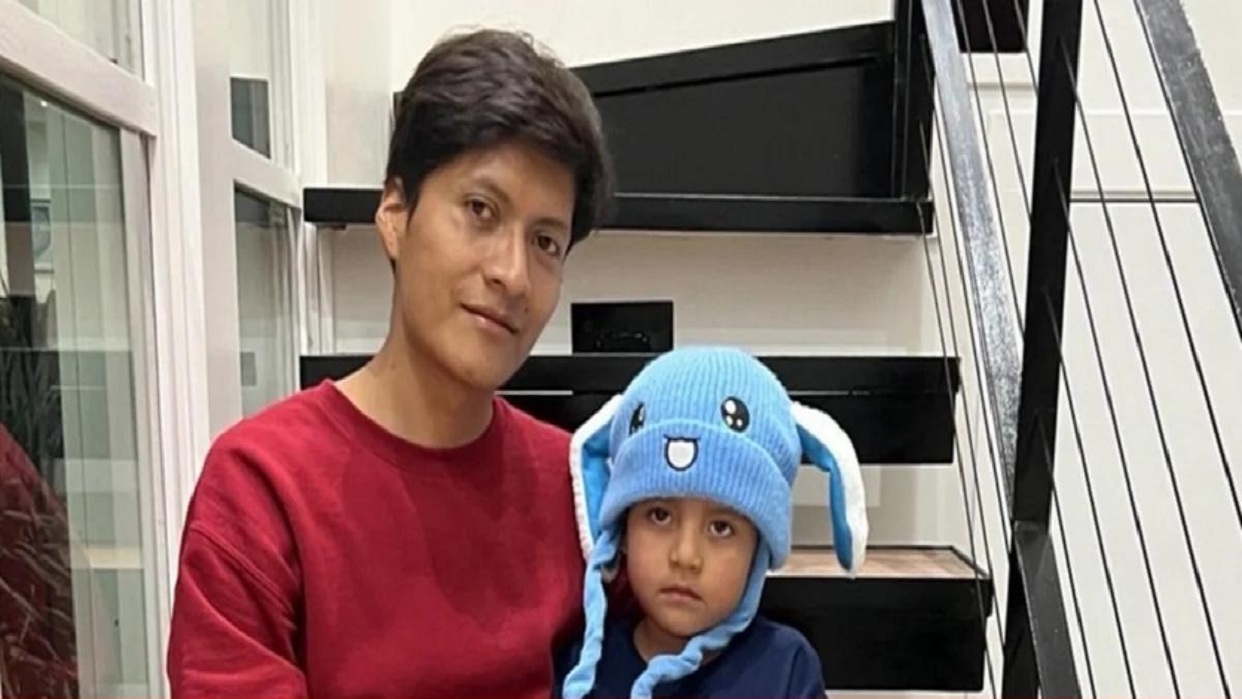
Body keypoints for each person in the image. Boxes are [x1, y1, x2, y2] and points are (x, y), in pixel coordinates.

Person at [166, 28, 613, 698]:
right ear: (395, 214)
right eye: (481, 210)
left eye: (546, 241)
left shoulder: (578, 490)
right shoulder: (261, 489)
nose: (513, 273)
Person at [554, 346, 870, 698]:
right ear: (621, 530)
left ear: (759, 548)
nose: (685, 556)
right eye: (660, 515)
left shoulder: (787, 669)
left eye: (721, 528)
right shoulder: (584, 668)